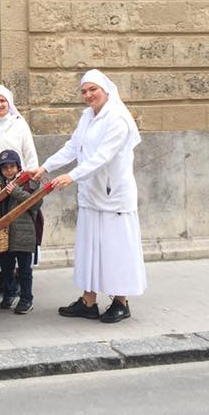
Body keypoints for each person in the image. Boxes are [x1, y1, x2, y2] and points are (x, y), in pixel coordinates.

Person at [31, 69, 146, 323]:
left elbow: (102, 156)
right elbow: (73, 146)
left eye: (92, 89)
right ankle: (88, 300)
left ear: (105, 89)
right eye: (84, 91)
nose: (88, 94)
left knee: (115, 250)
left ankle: (121, 301)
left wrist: (72, 176)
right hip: (91, 194)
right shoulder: (86, 116)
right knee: (90, 249)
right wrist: (45, 167)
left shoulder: (118, 119)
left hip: (113, 195)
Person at [0, 150, 36, 315]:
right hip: (4, 234)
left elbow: (35, 204)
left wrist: (15, 191)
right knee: (6, 268)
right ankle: (9, 294)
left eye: (12, 166)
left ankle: (26, 298)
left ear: (18, 167)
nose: (9, 170)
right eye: (5, 167)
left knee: (24, 270)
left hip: (23, 232)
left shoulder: (28, 182)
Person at [0, 84, 39, 171]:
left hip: (17, 178)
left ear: (9, 103)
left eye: (2, 100)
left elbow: (29, 152)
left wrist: (32, 173)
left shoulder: (19, 124)